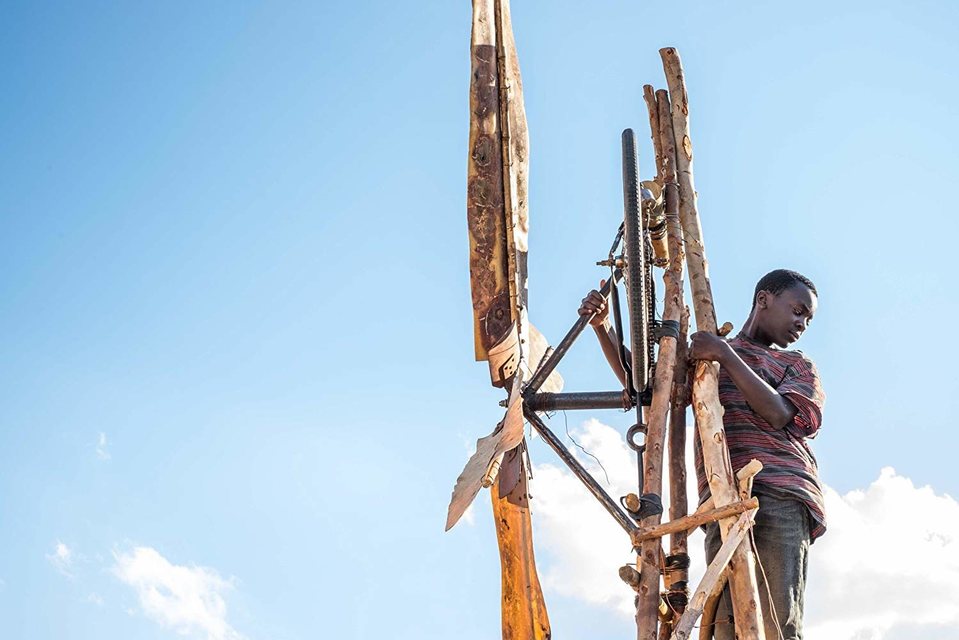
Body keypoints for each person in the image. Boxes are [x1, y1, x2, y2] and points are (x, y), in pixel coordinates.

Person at [578, 269, 825, 640]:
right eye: (798, 310)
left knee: (776, 622)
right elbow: (651, 386)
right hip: (720, 500)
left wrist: (724, 353)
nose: (802, 323)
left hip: (780, 492)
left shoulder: (796, 365)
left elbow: (779, 414)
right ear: (764, 300)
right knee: (726, 627)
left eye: (808, 317)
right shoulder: (704, 358)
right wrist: (602, 328)